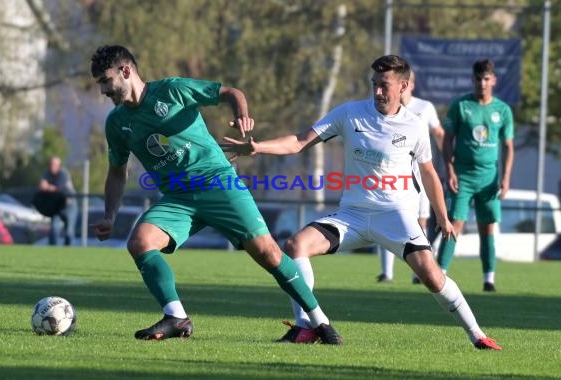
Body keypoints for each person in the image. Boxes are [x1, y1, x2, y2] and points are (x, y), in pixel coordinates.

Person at [222, 55, 502, 350]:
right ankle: (307, 326)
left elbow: (429, 172)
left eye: (385, 85)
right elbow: (300, 141)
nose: (378, 92)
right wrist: (258, 148)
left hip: (396, 216)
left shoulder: (414, 125)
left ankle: (478, 335)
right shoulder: (349, 114)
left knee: (433, 277)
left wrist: (443, 216)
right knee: (295, 247)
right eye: (374, 85)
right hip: (352, 216)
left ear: (403, 85)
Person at [89, 45, 342, 343]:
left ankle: (321, 323)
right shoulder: (116, 123)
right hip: (178, 197)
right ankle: (176, 317)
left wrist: (242, 115)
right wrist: (109, 215)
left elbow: (230, 93)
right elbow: (118, 171)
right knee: (140, 242)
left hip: (218, 182)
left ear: (126, 71)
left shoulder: (172, 90)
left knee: (269, 254)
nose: (104, 90)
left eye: (106, 81)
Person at [437, 59, 514, 292]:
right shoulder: (460, 106)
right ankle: (439, 276)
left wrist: (506, 177)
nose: (482, 83)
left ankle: (489, 279)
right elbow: (447, 140)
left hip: (489, 178)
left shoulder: (502, 110)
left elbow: (508, 146)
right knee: (454, 224)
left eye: (486, 79)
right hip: (462, 176)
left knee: (487, 228)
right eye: (478, 79)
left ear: (493, 80)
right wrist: (449, 170)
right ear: (473, 80)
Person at [376, 70, 445, 284]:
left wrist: (449, 163)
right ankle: (387, 272)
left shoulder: (424, 108)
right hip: (393, 171)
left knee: (421, 220)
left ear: (408, 85)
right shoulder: (386, 107)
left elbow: (439, 133)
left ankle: (418, 272)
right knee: (385, 216)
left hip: (419, 172)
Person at [38, 156, 78, 246]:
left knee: (69, 232)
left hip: (69, 205)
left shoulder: (63, 173)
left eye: (55, 165)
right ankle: (53, 252)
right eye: (51, 164)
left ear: (59, 166)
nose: (52, 166)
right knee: (54, 229)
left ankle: (69, 253)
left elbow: (59, 189)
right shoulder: (47, 173)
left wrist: (48, 187)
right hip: (57, 206)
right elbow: (41, 186)